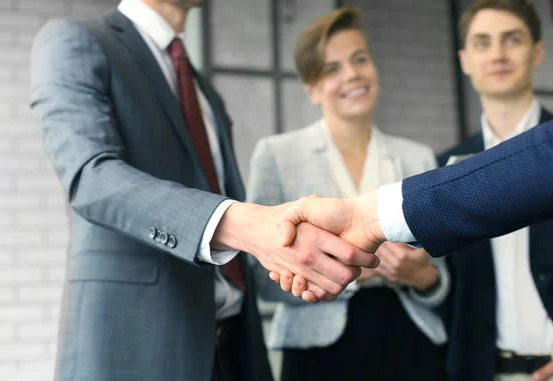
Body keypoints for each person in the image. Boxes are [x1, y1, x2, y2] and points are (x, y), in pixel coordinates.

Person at [29, 0, 379, 380]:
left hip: (233, 349)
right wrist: (248, 224)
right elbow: (91, 177)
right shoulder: (74, 40)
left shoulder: (202, 88)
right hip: (136, 347)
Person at [247, 7, 449, 381]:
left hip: (411, 341)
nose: (352, 74)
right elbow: (260, 279)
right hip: (318, 352)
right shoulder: (277, 155)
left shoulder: (417, 156)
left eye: (360, 59)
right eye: (332, 68)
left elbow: (442, 276)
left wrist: (423, 278)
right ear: (311, 89)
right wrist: (343, 271)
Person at [436, 1, 553, 380]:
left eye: (512, 39)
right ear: (465, 60)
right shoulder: (444, 167)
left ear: (537, 52)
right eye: (482, 43)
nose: (498, 54)